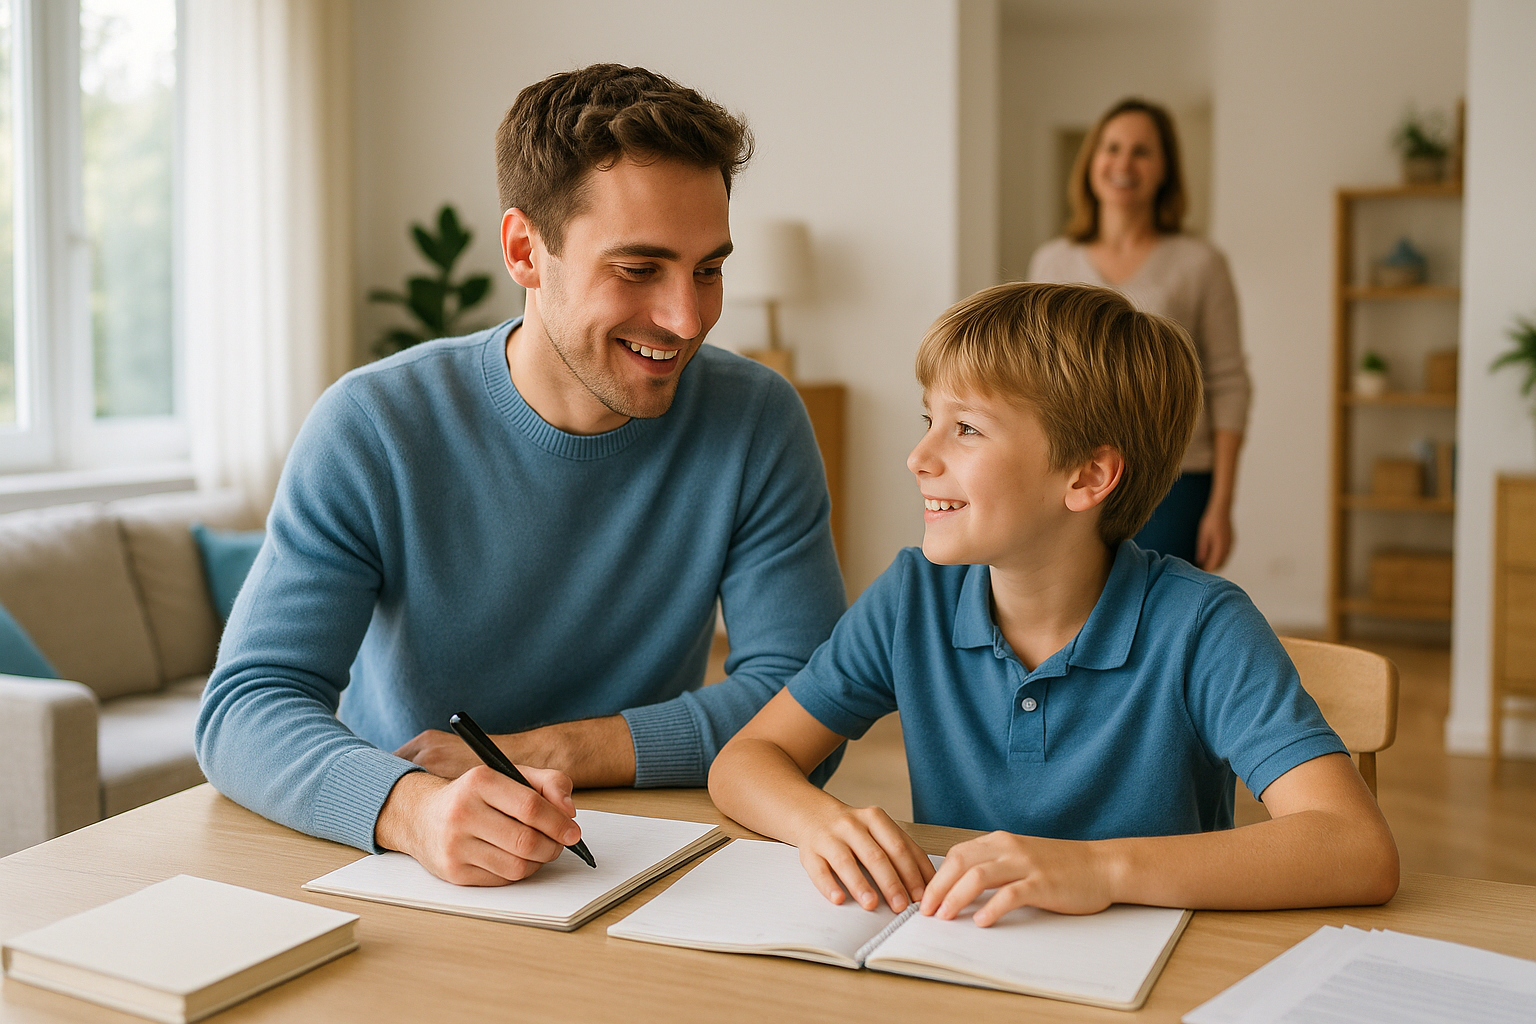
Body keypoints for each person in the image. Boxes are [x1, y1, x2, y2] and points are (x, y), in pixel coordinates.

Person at [196, 64, 845, 886]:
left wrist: (550, 750)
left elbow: (810, 703)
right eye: (639, 269)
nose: (688, 319)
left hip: (642, 850)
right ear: (523, 251)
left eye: (708, 269)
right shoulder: (372, 426)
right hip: (413, 856)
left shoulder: (757, 420)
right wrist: (413, 810)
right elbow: (247, 704)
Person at [708, 282, 1398, 925]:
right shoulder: (911, 598)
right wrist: (819, 823)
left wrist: (1099, 868)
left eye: (966, 429)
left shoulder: (1202, 627)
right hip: (970, 957)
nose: (919, 456)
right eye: (930, 419)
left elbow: (1354, 848)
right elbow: (746, 760)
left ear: (1087, 475)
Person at [1029, 98, 1249, 571]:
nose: (1123, 163)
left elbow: (1229, 382)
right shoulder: (1053, 262)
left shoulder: (1200, 263)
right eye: (1112, 148)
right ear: (1092, 161)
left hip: (1178, 477)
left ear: (1165, 168)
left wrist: (1222, 503)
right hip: (1073, 469)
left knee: (1159, 618)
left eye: (1142, 151)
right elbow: (1036, 377)